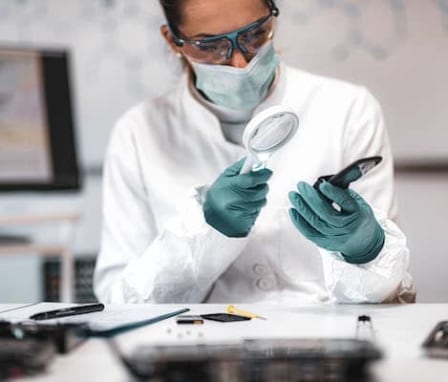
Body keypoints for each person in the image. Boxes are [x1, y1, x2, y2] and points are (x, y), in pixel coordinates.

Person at [94, 0, 415, 304]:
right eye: (210, 45)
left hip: (325, 343)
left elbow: (389, 298)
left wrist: (366, 251)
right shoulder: (137, 133)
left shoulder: (348, 109)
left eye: (253, 35)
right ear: (173, 40)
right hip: (199, 348)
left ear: (272, 15)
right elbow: (119, 302)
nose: (240, 62)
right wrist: (204, 233)